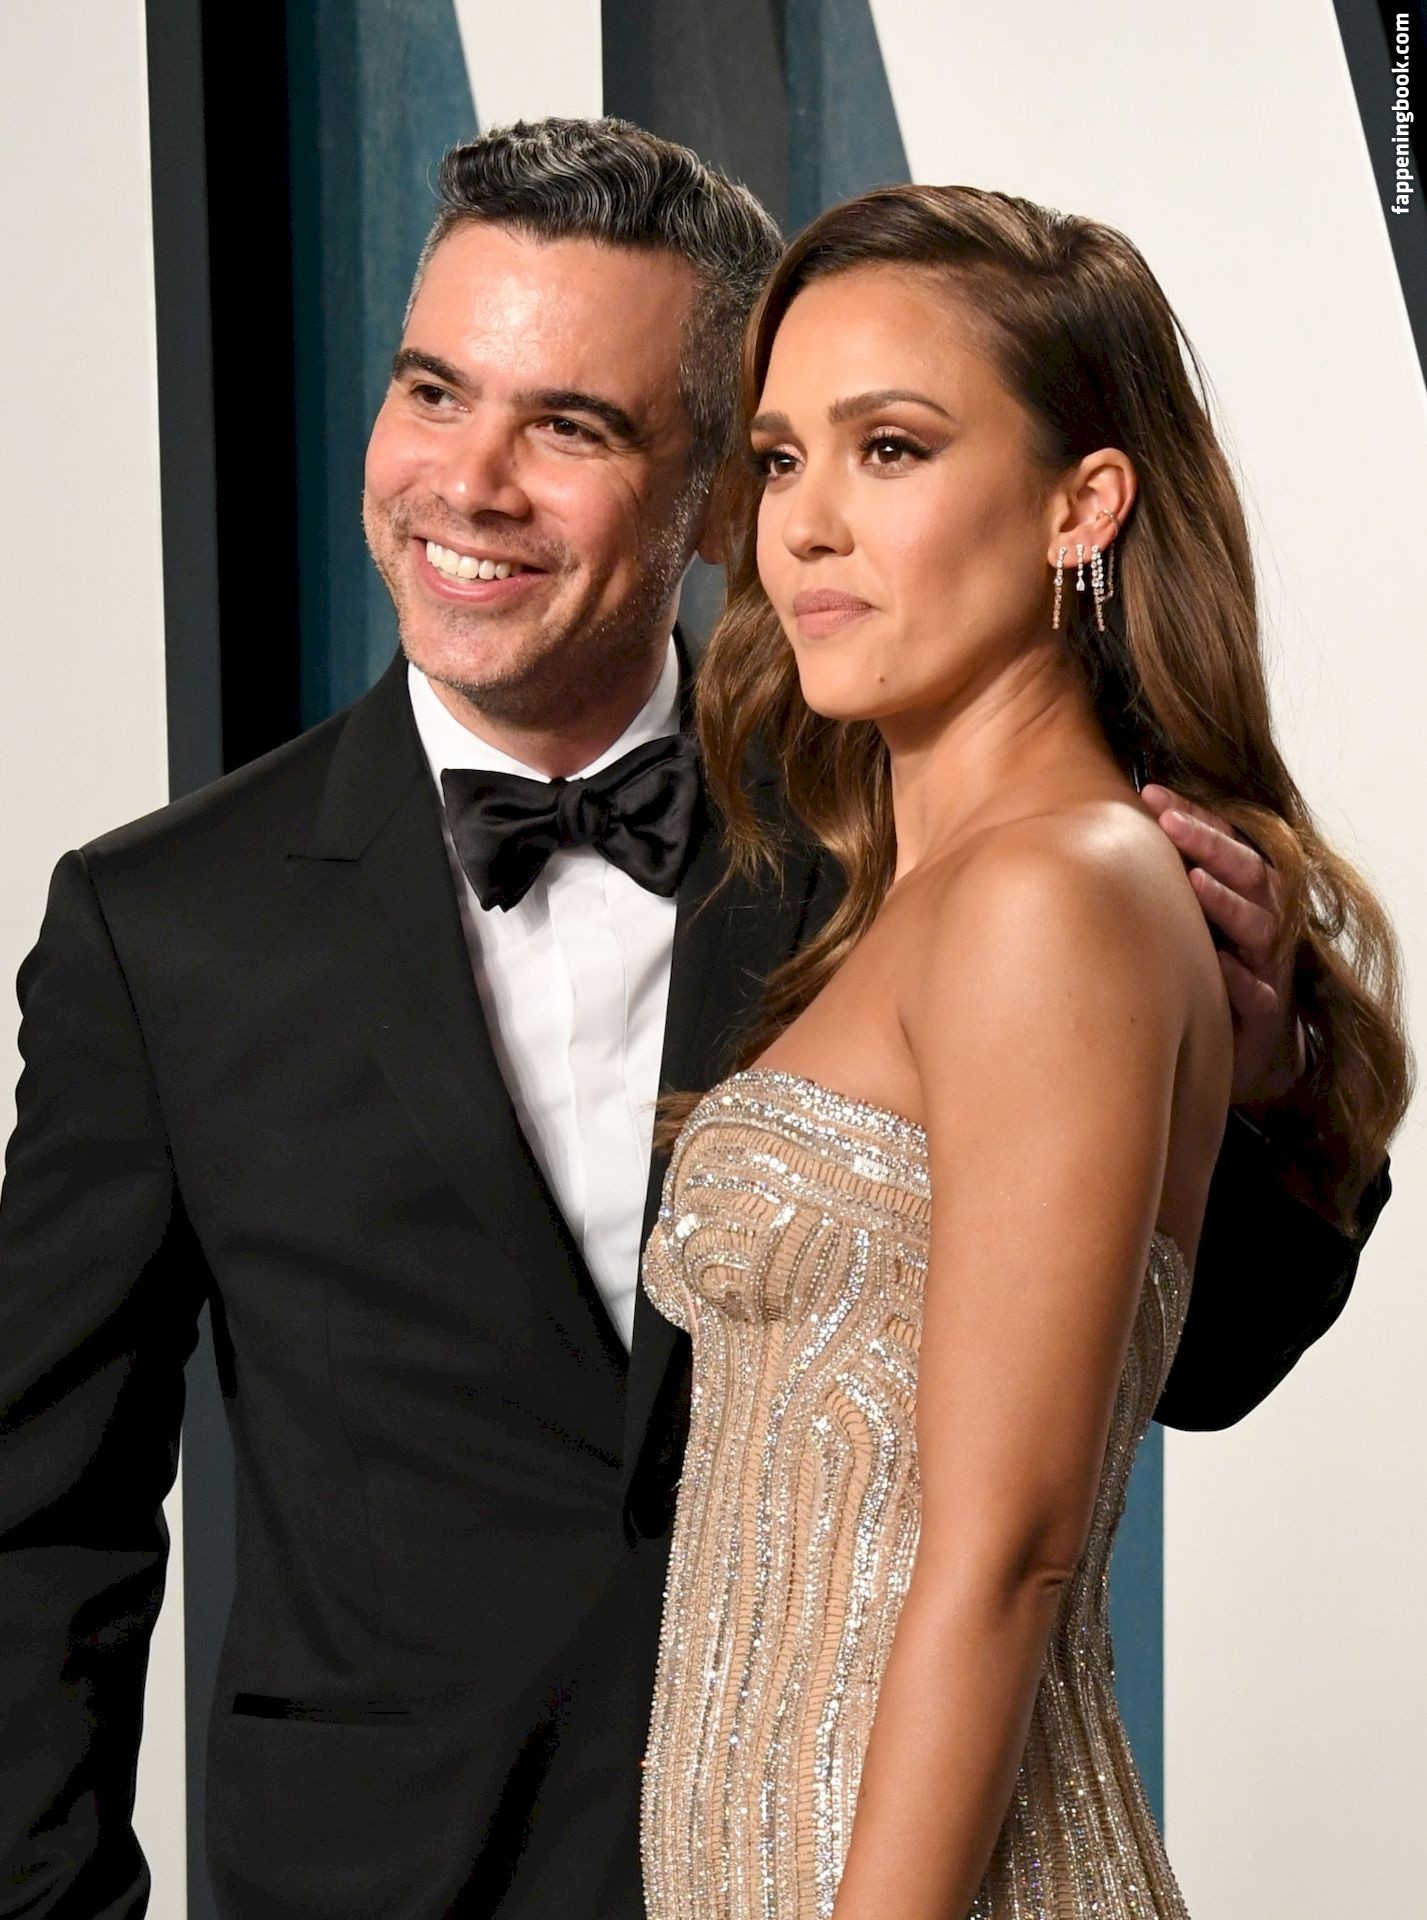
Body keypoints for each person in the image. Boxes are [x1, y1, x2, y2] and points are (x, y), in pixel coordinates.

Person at [0, 122, 1394, 1920]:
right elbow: (41, 1522)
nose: (469, 484)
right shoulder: (161, 925)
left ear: (704, 500)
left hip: (872, 1848)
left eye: (572, 426)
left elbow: (1166, 1376)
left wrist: (1264, 1088)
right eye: (434, 391)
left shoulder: (898, 852)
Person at [637, 182, 1412, 1920]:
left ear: (1083, 504)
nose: (806, 526)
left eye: (890, 450)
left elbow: (1009, 1556)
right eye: (780, 459)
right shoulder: (928, 895)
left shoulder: (1052, 892)